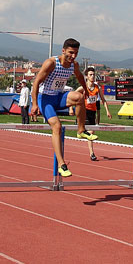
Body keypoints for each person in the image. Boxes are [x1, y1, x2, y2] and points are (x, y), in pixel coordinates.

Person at [31, 38, 96, 178]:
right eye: (71, 53)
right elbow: (36, 82)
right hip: (45, 98)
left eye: (76, 53)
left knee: (78, 98)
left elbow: (79, 77)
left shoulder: (74, 65)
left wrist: (86, 91)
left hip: (58, 96)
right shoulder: (51, 63)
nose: (73, 56)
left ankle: (81, 130)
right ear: (63, 51)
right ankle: (61, 164)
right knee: (57, 127)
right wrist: (35, 104)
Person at [75, 66, 111, 161]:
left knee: (91, 132)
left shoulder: (97, 87)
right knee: (90, 133)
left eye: (94, 75)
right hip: (84, 111)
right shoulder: (83, 87)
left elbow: (103, 100)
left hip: (92, 112)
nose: (92, 76)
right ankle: (92, 153)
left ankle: (80, 132)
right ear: (86, 76)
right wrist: (72, 107)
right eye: (90, 75)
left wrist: (107, 111)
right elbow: (73, 95)